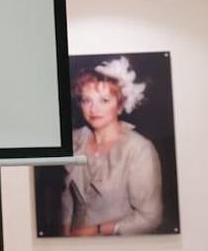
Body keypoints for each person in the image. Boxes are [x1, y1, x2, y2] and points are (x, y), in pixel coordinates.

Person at [61, 57, 163, 236]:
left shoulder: (139, 149)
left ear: (120, 105)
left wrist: (97, 231)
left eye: (104, 100)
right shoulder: (74, 140)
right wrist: (64, 237)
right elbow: (68, 200)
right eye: (87, 100)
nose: (93, 109)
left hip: (117, 249)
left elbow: (151, 217)